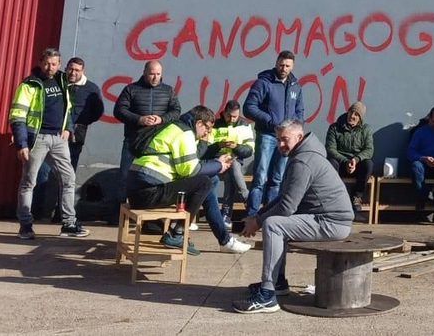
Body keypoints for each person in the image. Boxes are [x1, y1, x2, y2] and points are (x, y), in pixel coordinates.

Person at [232, 119, 356, 314]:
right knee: (275, 222)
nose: (280, 144)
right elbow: (283, 197)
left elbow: (287, 208)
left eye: (285, 139)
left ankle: (267, 296)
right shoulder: (300, 154)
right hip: (323, 217)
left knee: (274, 225)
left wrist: (259, 222)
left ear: (299, 137)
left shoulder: (303, 161)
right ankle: (278, 283)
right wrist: (257, 216)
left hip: (332, 222)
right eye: (278, 140)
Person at [126, 105, 252, 255]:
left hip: (139, 191)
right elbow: (190, 170)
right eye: (207, 128)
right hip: (147, 193)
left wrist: (215, 163)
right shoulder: (184, 133)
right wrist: (219, 165)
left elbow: (188, 165)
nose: (207, 133)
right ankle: (177, 233)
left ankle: (224, 239)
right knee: (205, 182)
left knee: (210, 181)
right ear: (198, 123)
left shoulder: (175, 127)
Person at [9, 48, 87, 240]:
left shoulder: (62, 80)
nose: (49, 67)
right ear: (40, 62)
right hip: (37, 139)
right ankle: (25, 226)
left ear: (59, 65)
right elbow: (17, 116)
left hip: (59, 139)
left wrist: (68, 128)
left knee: (68, 179)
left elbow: (68, 107)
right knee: (29, 182)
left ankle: (69, 224)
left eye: (53, 64)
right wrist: (22, 143)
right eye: (46, 63)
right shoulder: (29, 84)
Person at [38, 56, 104, 224]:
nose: (73, 73)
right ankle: (39, 210)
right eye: (70, 69)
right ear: (65, 68)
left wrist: (80, 122)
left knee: (68, 175)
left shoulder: (91, 88)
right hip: (51, 132)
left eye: (77, 70)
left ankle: (61, 214)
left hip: (75, 136)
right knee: (43, 171)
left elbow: (98, 111)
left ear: (82, 71)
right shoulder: (57, 83)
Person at [244, 51, 304, 218]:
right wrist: (270, 121)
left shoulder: (296, 87)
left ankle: (269, 217)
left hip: (287, 139)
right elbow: (249, 107)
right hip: (267, 135)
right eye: (281, 64)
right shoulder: (264, 83)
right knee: (259, 178)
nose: (283, 68)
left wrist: (296, 128)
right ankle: (252, 216)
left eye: (287, 66)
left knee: (277, 179)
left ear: (292, 66)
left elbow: (300, 111)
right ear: (276, 63)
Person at [114, 60, 181, 180]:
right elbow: (119, 110)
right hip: (133, 140)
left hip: (158, 143)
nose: (155, 78)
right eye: (152, 74)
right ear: (144, 73)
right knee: (125, 177)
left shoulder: (168, 91)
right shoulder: (131, 89)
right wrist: (139, 119)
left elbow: (176, 111)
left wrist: (161, 119)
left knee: (152, 178)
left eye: (158, 74)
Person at [206, 100, 256, 230]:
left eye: (235, 116)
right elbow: (205, 148)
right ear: (224, 112)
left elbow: (249, 150)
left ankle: (226, 214)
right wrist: (219, 145)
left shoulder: (245, 126)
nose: (232, 119)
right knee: (232, 171)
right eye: (229, 116)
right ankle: (246, 200)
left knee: (231, 171)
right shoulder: (215, 125)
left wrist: (236, 147)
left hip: (234, 160)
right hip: (216, 160)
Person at [324, 101, 374, 214]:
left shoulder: (366, 129)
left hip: (356, 165)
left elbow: (369, 150)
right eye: (351, 112)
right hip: (341, 164)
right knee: (331, 162)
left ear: (360, 118)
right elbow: (330, 149)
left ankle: (357, 196)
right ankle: (334, 197)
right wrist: (345, 161)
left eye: (356, 114)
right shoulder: (334, 127)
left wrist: (355, 160)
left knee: (368, 164)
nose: (352, 116)